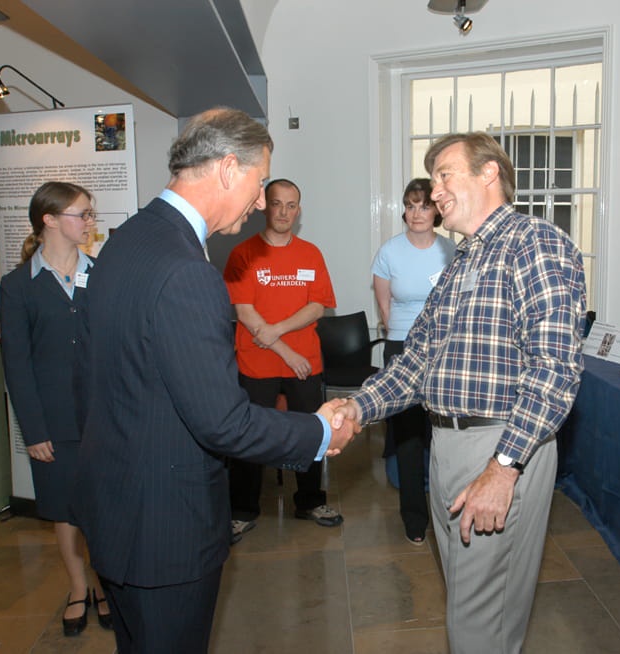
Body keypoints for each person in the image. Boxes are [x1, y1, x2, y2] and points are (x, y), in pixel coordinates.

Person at [71, 107, 358, 654]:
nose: (261, 203)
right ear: (228, 168)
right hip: (164, 527)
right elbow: (223, 422)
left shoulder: (126, 240)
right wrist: (320, 432)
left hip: (115, 509)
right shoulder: (188, 271)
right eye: (258, 182)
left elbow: (92, 380)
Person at [333, 132, 586, 653]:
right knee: (468, 610)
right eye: (432, 181)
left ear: (489, 173)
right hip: (446, 446)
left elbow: (555, 369)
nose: (435, 192)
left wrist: (504, 468)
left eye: (445, 175)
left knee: (479, 625)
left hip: (502, 445)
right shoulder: (462, 262)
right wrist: (357, 407)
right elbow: (416, 361)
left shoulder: (534, 243)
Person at [0, 181, 110, 637]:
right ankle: (79, 588)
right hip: (53, 420)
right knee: (65, 508)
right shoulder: (17, 286)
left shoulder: (103, 274)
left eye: (89, 214)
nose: (89, 222)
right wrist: (34, 430)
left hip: (103, 417)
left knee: (102, 505)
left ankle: (105, 584)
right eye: (82, 214)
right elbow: (16, 365)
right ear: (49, 219)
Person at [223, 178, 343, 535]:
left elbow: (317, 306)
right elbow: (244, 312)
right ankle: (243, 509)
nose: (284, 212)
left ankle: (310, 501)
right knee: (248, 436)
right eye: (277, 204)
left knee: (312, 432)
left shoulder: (311, 253)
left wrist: (277, 331)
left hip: (305, 363)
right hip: (257, 363)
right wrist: (285, 350)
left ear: (298, 211)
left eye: (291, 205)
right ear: (265, 207)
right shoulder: (243, 254)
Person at [371, 177, 455, 544]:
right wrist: (406, 342)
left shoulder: (452, 250)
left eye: (424, 206)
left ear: (436, 211)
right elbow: (385, 308)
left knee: (444, 436)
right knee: (408, 438)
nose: (416, 213)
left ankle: (447, 513)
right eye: (410, 205)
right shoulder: (389, 252)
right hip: (403, 348)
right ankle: (414, 517)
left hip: (445, 350)